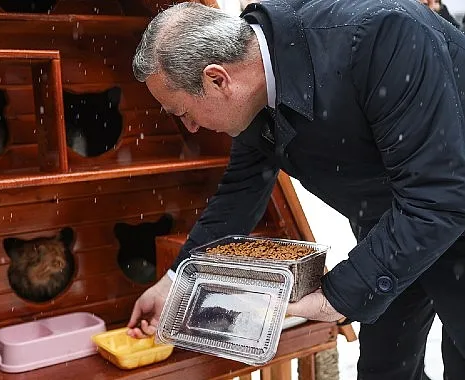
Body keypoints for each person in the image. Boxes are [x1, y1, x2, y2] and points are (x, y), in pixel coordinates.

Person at [126, 1, 465, 379]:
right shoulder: (253, 97)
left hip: (453, 213)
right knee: (385, 369)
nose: (190, 127)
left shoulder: (380, 36)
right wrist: (176, 282)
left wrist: (338, 295)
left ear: (217, 79)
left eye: (182, 112)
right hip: (391, 227)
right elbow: (239, 193)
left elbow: (438, 195)